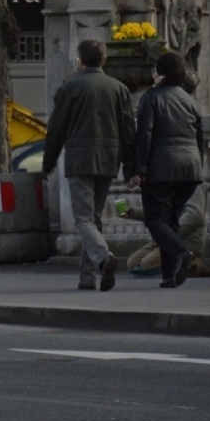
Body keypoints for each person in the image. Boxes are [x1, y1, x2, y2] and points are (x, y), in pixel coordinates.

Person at [42, 39, 136, 291]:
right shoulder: (119, 89)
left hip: (79, 159)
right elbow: (129, 131)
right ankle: (88, 276)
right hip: (108, 159)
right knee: (93, 218)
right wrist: (130, 166)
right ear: (104, 60)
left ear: (80, 61)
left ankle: (104, 258)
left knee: (82, 219)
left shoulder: (69, 88)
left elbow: (56, 130)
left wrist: (48, 161)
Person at [129, 51, 204, 288]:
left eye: (154, 70)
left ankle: (181, 252)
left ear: (160, 75)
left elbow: (145, 134)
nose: (152, 75)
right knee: (172, 220)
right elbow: (200, 138)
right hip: (190, 169)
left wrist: (139, 168)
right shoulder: (190, 100)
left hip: (162, 168)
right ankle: (169, 275)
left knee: (154, 219)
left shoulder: (152, 97)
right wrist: (197, 165)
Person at [122, 183, 210, 277]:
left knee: (148, 264)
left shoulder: (194, 183)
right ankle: (180, 264)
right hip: (166, 238)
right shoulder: (170, 182)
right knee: (133, 263)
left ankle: (193, 262)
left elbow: (195, 216)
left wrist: (169, 234)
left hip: (186, 240)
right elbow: (159, 213)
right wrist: (132, 212)